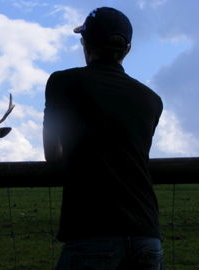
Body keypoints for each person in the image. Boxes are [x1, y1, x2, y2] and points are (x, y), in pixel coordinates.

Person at [43, 7, 164, 270]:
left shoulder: (62, 83)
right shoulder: (151, 100)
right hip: (147, 234)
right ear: (127, 50)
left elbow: (52, 154)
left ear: (85, 44)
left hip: (92, 231)